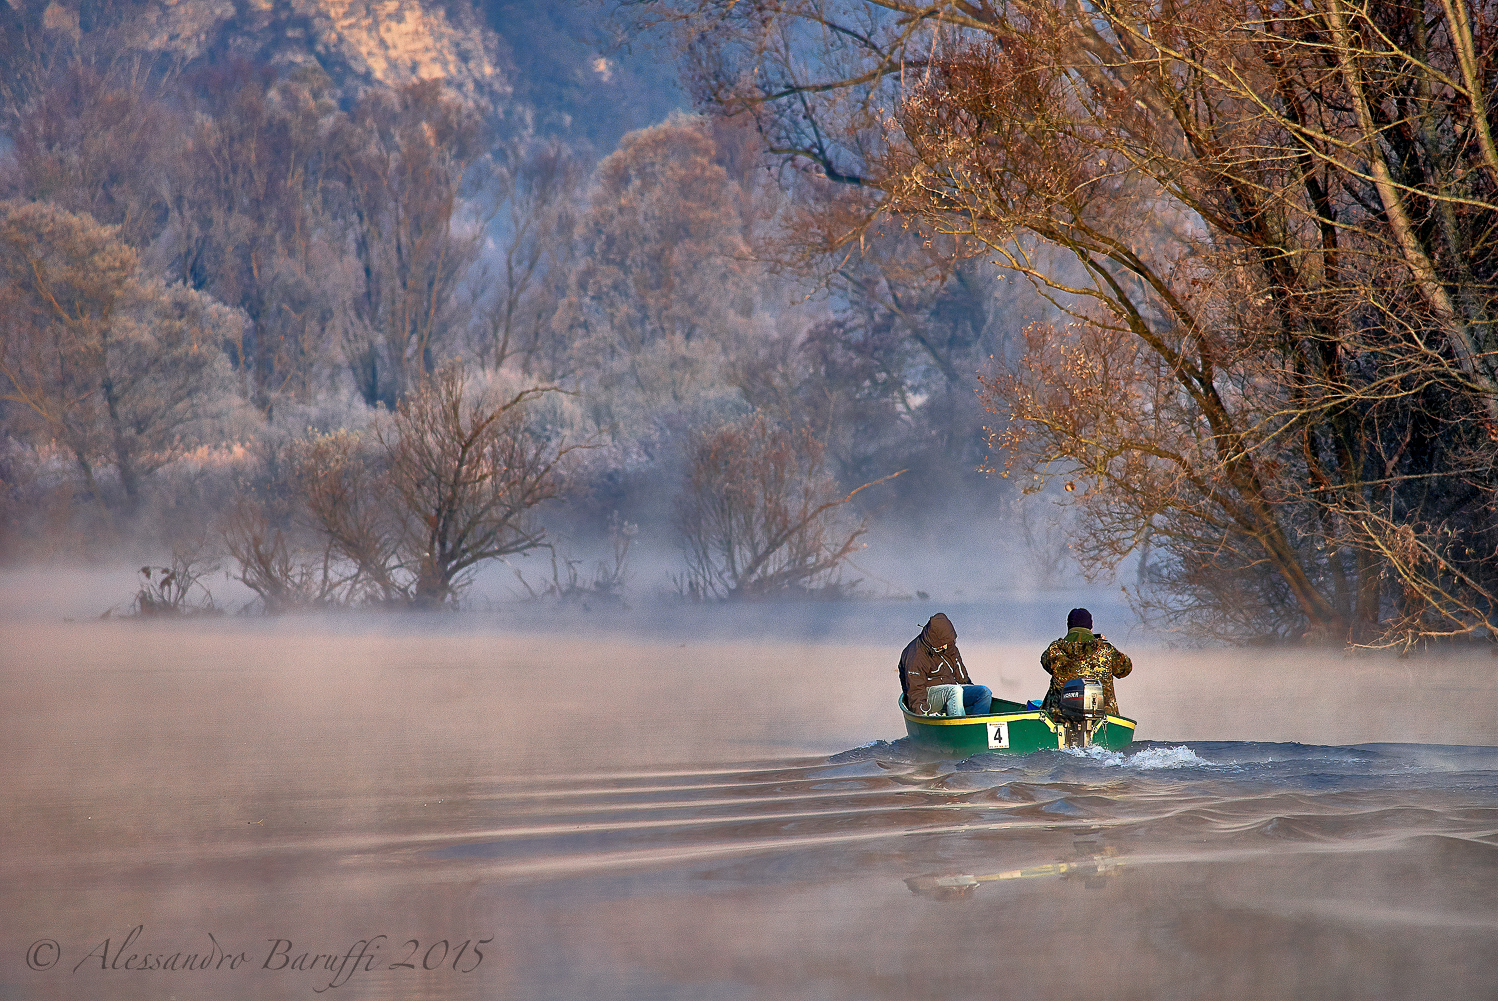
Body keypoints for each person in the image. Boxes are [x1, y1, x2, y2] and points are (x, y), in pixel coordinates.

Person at [1039, 608, 1132, 715]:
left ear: (1069, 627)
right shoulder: (1106, 649)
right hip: (1103, 716)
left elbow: (1045, 662)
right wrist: (1103, 643)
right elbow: (1125, 669)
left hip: (1059, 715)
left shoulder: (1055, 650)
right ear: (1091, 629)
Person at [899, 612, 992, 717]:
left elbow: (959, 671)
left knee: (984, 692)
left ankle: (977, 724)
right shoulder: (916, 655)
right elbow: (915, 690)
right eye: (943, 644)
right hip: (927, 696)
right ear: (934, 639)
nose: (945, 647)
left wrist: (969, 686)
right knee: (955, 691)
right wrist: (923, 713)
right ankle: (960, 724)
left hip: (951, 690)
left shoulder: (948, 644)